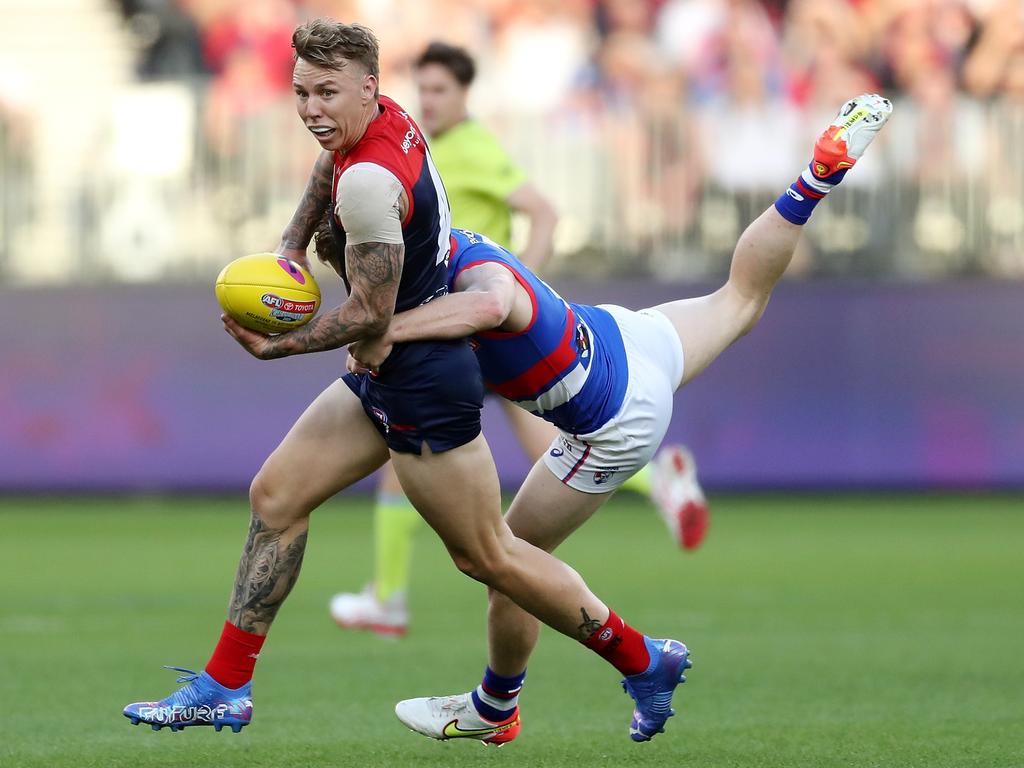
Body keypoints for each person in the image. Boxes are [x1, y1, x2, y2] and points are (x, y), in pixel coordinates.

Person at [122, 18, 693, 744]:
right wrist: (291, 247)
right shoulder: (378, 126)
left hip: (423, 381)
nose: (311, 108)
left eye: (327, 92)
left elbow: (370, 312)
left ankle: (643, 659)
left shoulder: (369, 181)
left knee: (487, 556)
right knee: (277, 497)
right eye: (301, 91)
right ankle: (225, 685)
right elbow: (329, 170)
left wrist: (281, 347)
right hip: (385, 370)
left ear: (368, 87)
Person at [342, 93, 893, 744]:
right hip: (628, 340)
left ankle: (500, 706)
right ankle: (815, 179)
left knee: (507, 563)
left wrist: (372, 330)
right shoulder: (456, 245)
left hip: (615, 417)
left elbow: (485, 309)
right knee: (740, 299)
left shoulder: (449, 291)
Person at [328, 41, 706, 638]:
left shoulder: (472, 149)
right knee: (546, 454)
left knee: (408, 460)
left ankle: (391, 600)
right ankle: (660, 480)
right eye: (422, 89)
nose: (428, 100)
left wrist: (521, 290)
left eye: (440, 91)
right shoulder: (418, 146)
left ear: (463, 95)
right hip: (474, 325)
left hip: (474, 321)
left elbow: (544, 211)